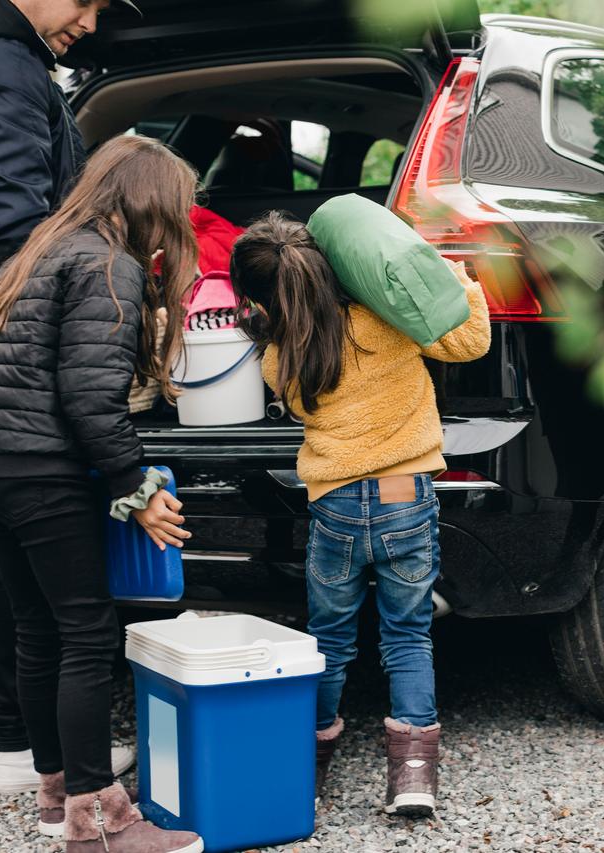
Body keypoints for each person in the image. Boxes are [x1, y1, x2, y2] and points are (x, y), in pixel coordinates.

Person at [0, 134, 203, 853]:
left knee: (37, 628)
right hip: (42, 468)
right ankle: (96, 821)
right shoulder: (108, 264)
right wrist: (135, 486)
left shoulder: (40, 246)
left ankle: (56, 791)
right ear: (150, 202)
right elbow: (89, 396)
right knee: (87, 632)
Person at [228, 212, 491, 818]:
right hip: (404, 494)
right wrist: (453, 278)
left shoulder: (280, 357)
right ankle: (414, 775)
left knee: (330, 640)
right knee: (407, 632)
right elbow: (468, 341)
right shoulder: (385, 322)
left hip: (337, 505)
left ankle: (309, 765)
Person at [0, 0, 140, 793]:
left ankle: (29, 757)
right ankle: (87, 802)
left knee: (26, 596)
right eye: (88, 1)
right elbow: (9, 219)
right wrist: (133, 482)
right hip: (30, 421)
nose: (92, 19)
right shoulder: (7, 66)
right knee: (80, 621)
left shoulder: (16, 62)